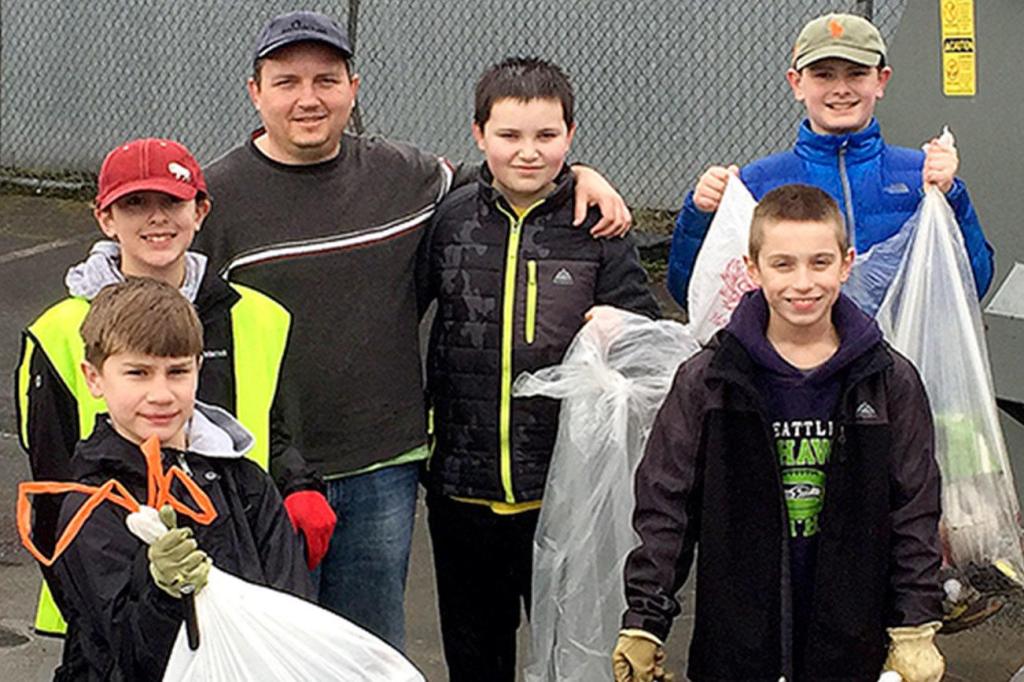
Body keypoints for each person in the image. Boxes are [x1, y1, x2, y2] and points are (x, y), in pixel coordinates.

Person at [193, 10, 632, 649]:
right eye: (287, 82)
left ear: (354, 86)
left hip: (384, 465)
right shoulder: (214, 197)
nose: (309, 98)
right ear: (256, 93)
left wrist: (581, 179)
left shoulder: (407, 175)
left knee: (371, 650)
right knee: (276, 651)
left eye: (326, 80)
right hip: (263, 469)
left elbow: (512, 173)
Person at [614, 185, 945, 682]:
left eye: (819, 262)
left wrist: (916, 624)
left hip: (853, 643)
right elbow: (667, 507)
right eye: (783, 264)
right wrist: (645, 620)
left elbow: (914, 510)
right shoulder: (709, 380)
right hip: (737, 644)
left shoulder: (888, 380)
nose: (803, 283)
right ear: (752, 269)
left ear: (846, 263)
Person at [16, 138, 331, 640]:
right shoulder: (58, 331)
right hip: (109, 590)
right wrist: (87, 609)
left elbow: (276, 423)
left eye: (172, 201)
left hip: (241, 559)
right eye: (134, 203)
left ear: (200, 210)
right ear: (105, 218)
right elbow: (51, 480)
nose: (156, 218)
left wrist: (298, 487)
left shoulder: (257, 316)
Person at [416, 56, 660, 681]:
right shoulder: (449, 220)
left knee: (569, 653)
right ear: (479, 135)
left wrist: (621, 329)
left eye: (547, 136)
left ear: (570, 137)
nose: (528, 152)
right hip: (461, 487)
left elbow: (644, 344)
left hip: (563, 490)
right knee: (475, 658)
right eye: (510, 135)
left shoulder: (600, 228)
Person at [44, 278, 313, 680]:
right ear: (94, 378)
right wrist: (162, 594)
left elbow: (291, 611)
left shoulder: (246, 482)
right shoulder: (92, 506)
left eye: (177, 371)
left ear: (198, 369)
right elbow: (131, 658)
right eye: (138, 372)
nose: (161, 393)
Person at [665, 12, 993, 313]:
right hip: (792, 373)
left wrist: (953, 197)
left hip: (895, 369)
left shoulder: (921, 177)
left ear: (881, 81)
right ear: (796, 83)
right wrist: (701, 215)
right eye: (823, 75)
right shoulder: (757, 184)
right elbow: (694, 295)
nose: (840, 89)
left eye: (857, 74)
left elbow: (972, 284)